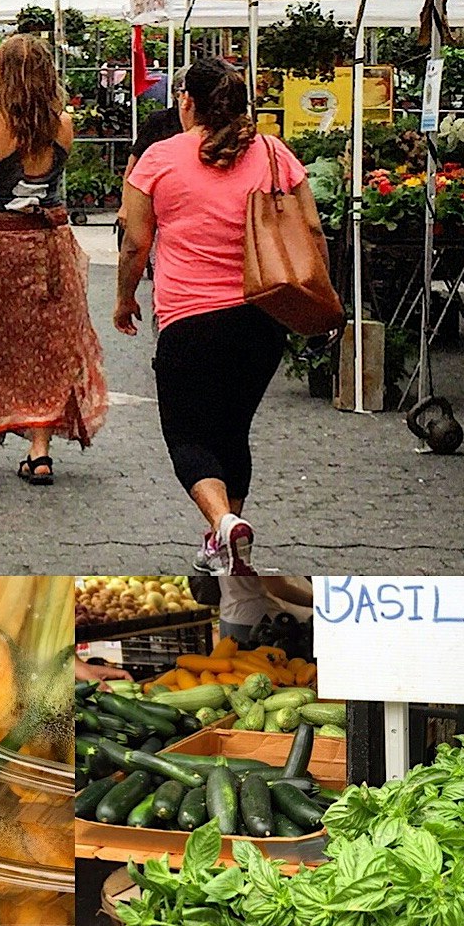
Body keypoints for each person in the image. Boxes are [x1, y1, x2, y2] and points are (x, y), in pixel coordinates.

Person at [118, 58, 323, 575]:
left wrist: (124, 299)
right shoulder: (275, 152)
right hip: (262, 317)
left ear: (187, 101)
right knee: (233, 433)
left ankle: (224, 525)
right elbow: (313, 228)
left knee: (187, 437)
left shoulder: (159, 158)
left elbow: (135, 244)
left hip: (190, 321)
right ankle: (224, 544)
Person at [0, 31, 108, 487]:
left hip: (2, 244)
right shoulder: (63, 125)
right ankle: (39, 452)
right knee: (47, 345)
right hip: (51, 243)